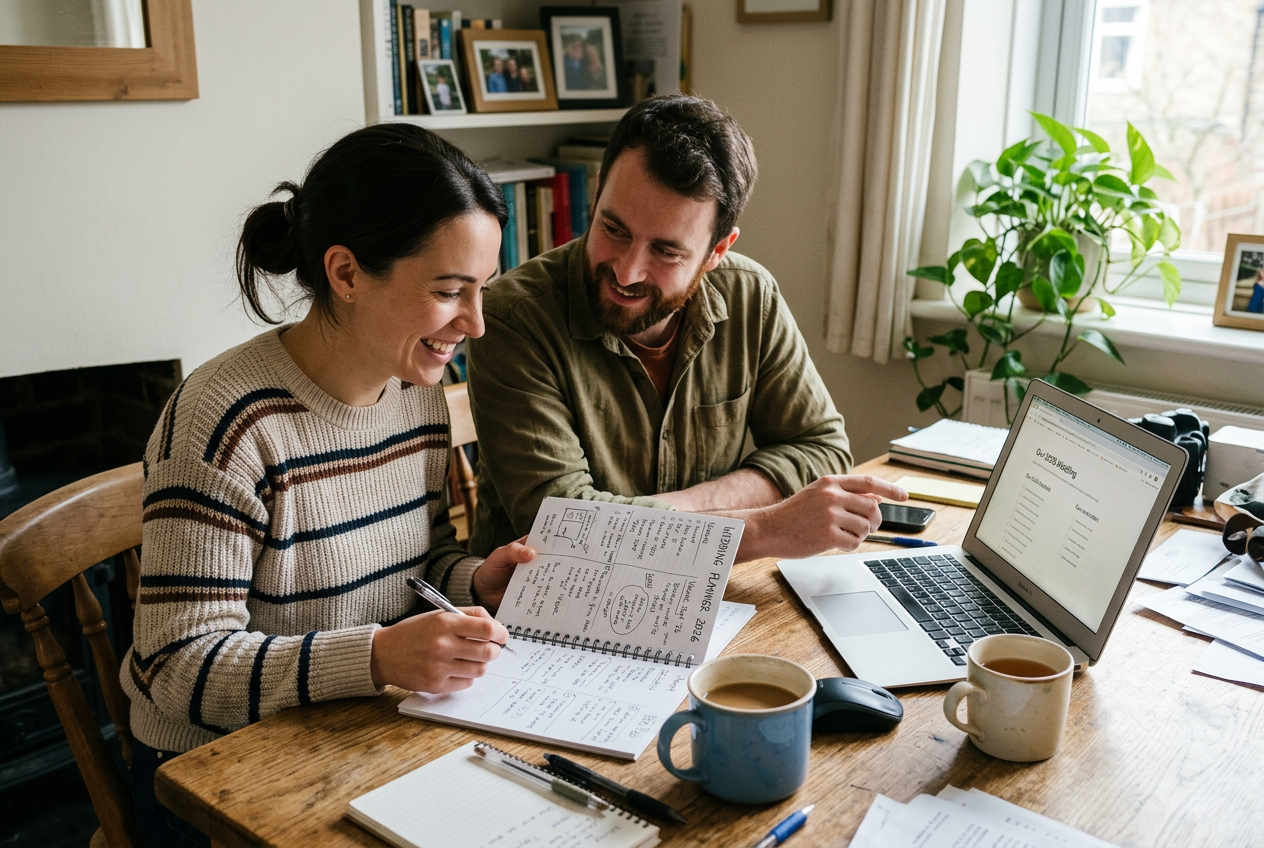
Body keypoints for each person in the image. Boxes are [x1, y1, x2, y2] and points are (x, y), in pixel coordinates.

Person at [121, 124, 535, 847]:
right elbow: (177, 666)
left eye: (482, 292)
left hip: (353, 724)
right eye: (448, 292)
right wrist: (375, 658)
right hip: (209, 771)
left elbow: (415, 568)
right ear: (345, 273)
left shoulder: (415, 392)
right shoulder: (224, 421)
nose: (474, 323)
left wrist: (476, 583)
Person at [466, 95, 906, 563]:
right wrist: (763, 526)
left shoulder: (750, 296)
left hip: (708, 597)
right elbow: (560, 527)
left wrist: (667, 516)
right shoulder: (512, 317)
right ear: (596, 194)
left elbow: (821, 447)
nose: (627, 271)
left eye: (666, 251)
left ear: (718, 251)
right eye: (613, 229)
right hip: (536, 611)